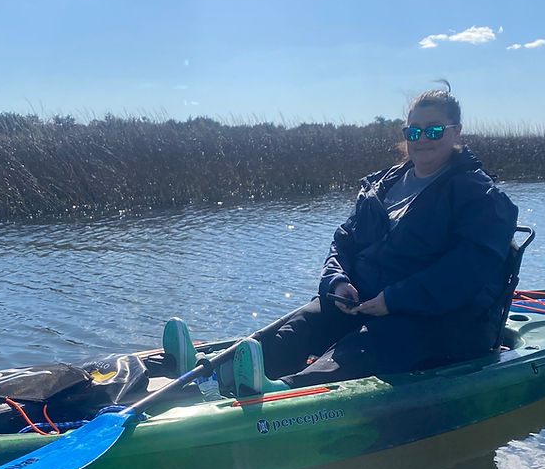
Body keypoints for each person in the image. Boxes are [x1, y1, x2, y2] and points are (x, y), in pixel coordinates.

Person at [222, 85, 520, 396]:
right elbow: (344, 241)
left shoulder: (482, 196)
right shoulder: (382, 185)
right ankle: (219, 377)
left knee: (366, 347)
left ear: (456, 131)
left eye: (434, 131)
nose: (422, 139)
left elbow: (467, 272)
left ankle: (283, 394)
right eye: (413, 131)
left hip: (441, 322)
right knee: (304, 323)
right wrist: (338, 282)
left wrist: (394, 300)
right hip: (367, 304)